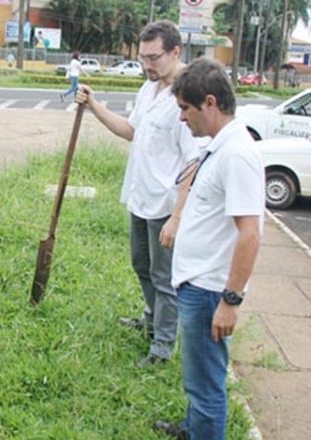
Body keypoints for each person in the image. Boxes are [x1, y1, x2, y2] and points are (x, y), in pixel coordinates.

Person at [75, 20, 201, 367]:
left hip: (165, 205)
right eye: (143, 57)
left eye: (154, 57)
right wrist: (94, 107)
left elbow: (194, 161)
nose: (146, 64)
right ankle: (151, 320)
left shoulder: (185, 97)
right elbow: (131, 131)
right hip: (141, 197)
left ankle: (162, 347)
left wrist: (177, 216)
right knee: (141, 265)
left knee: (164, 278)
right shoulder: (150, 89)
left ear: (176, 52)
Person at [154, 58, 265, 440]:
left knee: (206, 385)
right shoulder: (219, 147)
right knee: (197, 373)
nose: (182, 119)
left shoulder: (237, 155)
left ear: (211, 103)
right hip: (196, 283)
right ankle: (192, 429)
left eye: (186, 108)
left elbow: (249, 233)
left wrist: (230, 301)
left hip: (209, 290)